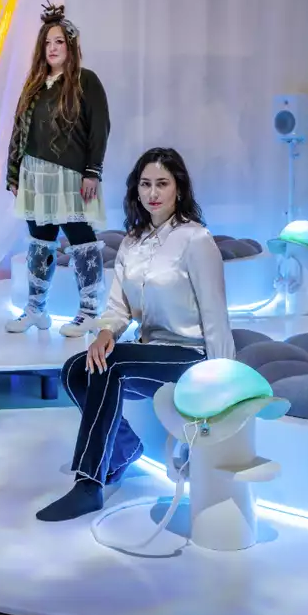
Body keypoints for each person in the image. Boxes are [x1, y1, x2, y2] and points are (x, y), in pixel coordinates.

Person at [36, 147, 235, 522]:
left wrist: (224, 382)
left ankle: (89, 484)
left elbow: (215, 314)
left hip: (191, 357)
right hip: (150, 351)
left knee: (112, 365)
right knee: (76, 369)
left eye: (162, 183)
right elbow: (118, 308)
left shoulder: (195, 239)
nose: (153, 193)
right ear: (136, 190)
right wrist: (105, 333)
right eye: (145, 184)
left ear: (179, 188)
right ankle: (124, 448)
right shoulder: (131, 243)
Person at [5, 2, 110, 338]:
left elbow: (100, 128)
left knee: (81, 240)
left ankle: (90, 311)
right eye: (47, 43)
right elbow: (19, 130)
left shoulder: (85, 81)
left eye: (59, 42)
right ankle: (36, 309)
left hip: (71, 175)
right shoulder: (34, 84)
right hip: (35, 174)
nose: (52, 48)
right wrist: (13, 173)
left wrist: (92, 171)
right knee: (40, 241)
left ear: (71, 45)